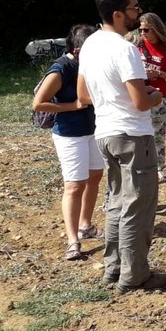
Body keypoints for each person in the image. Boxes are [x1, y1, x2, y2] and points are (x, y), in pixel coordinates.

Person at [77, 0, 166, 293]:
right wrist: (154, 96)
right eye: (134, 9)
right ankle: (135, 275)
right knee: (138, 206)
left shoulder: (89, 44)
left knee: (116, 202)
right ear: (118, 14)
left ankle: (113, 268)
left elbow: (82, 94)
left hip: (105, 133)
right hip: (132, 135)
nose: (138, 14)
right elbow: (140, 102)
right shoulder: (124, 49)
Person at [31, 24, 104, 262]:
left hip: (93, 129)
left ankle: (86, 225)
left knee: (94, 176)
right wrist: (71, 106)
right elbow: (38, 103)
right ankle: (73, 240)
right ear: (78, 49)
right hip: (70, 134)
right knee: (74, 185)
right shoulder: (60, 70)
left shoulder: (90, 64)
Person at [134, 13, 166, 180]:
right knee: (137, 132)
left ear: (156, 29)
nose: (143, 33)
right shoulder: (135, 45)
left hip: (158, 95)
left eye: (146, 30)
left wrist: (158, 73)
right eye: (140, 30)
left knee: (157, 133)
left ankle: (159, 167)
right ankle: (140, 167)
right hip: (137, 94)